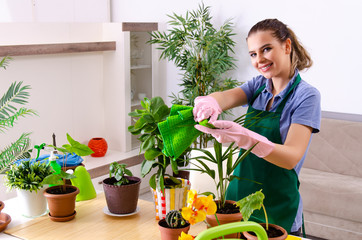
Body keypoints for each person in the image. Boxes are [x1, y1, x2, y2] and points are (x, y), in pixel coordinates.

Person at [193, 18, 321, 236]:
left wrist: (245, 138)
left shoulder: (306, 96)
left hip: (277, 207)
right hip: (237, 201)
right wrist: (211, 102)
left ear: (287, 46)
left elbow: (291, 157)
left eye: (266, 49)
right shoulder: (258, 86)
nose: (259, 59)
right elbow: (225, 97)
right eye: (253, 54)